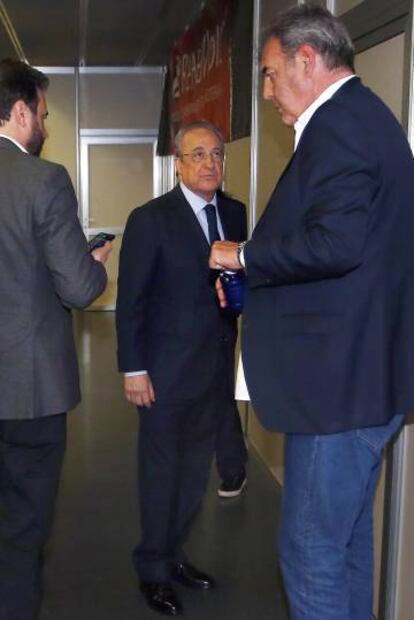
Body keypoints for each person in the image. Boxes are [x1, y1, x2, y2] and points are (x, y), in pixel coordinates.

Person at [209, 4, 414, 619]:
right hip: (357, 381)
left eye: (270, 74)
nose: (266, 92)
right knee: (345, 543)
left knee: (308, 551)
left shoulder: (341, 125)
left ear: (307, 59)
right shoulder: (364, 119)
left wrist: (244, 255)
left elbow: (335, 244)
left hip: (336, 390)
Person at [116, 120, 246, 616]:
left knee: (194, 474)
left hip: (214, 369)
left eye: (216, 154)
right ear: (178, 163)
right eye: (198, 155)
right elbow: (132, 302)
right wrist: (133, 369)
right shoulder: (151, 219)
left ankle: (174, 556)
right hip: (164, 375)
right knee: (161, 473)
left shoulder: (234, 213)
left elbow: (241, 288)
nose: (210, 163)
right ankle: (152, 568)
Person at [0, 59, 111, 620]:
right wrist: (95, 265)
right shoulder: (44, 180)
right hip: (28, 394)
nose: (44, 124)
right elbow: (77, 288)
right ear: (19, 111)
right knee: (21, 533)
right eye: (42, 113)